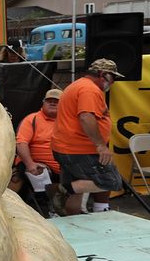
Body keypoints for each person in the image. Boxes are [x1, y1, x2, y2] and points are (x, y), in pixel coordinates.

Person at [50, 59, 124, 216]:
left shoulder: (78, 85)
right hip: (80, 149)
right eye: (113, 78)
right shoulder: (89, 90)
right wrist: (101, 146)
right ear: (103, 74)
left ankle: (71, 217)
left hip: (68, 147)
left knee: (77, 188)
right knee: (112, 181)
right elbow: (86, 117)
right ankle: (62, 189)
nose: (114, 82)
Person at [13, 88, 63, 215]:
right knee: (40, 172)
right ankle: (47, 208)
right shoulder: (32, 119)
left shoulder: (68, 121)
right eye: (49, 101)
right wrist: (30, 164)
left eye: (56, 101)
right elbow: (21, 142)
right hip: (36, 163)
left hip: (64, 165)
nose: (52, 103)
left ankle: (95, 208)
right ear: (43, 103)